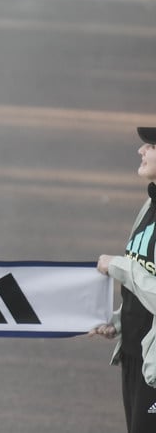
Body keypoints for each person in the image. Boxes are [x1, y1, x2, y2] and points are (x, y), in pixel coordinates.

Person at [92, 126, 156, 433]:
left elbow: (137, 274)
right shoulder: (149, 205)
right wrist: (119, 321)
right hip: (136, 355)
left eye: (151, 146)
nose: (141, 151)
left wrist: (118, 267)